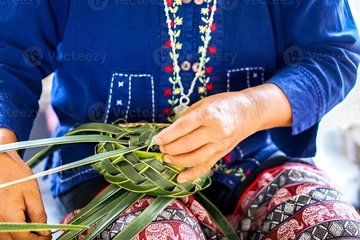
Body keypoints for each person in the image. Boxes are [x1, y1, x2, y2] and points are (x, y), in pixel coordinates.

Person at [0, 0, 360, 239]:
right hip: (111, 172)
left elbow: (331, 54)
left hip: (254, 161)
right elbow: (8, 50)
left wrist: (248, 109)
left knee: (333, 229)